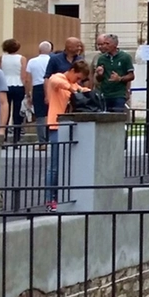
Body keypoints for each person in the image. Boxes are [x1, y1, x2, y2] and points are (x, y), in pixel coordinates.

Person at [44, 59, 93, 207]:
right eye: (78, 77)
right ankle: (49, 198)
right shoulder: (58, 78)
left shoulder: (73, 84)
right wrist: (74, 90)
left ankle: (60, 197)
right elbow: (56, 81)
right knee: (54, 166)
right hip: (56, 126)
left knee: (65, 165)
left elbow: (82, 90)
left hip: (67, 126)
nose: (78, 81)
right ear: (72, 71)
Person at [94, 33, 135, 113]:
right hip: (105, 94)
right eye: (103, 43)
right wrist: (99, 74)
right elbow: (99, 79)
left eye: (107, 44)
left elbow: (131, 75)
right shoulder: (101, 59)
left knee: (117, 117)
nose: (104, 46)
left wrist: (120, 78)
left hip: (119, 94)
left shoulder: (125, 57)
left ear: (115, 45)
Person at [0, 39, 27, 142]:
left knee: (5, 111)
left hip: (5, 86)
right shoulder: (22, 58)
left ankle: (3, 136)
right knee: (17, 113)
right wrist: (25, 87)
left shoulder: (2, 58)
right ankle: (16, 138)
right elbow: (23, 75)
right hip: (18, 85)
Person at [26, 41, 53, 144]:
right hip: (51, 87)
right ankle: (51, 137)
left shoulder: (32, 61)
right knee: (51, 113)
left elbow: (28, 79)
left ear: (39, 50)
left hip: (37, 88)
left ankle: (42, 141)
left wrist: (28, 94)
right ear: (50, 50)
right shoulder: (52, 60)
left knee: (40, 116)